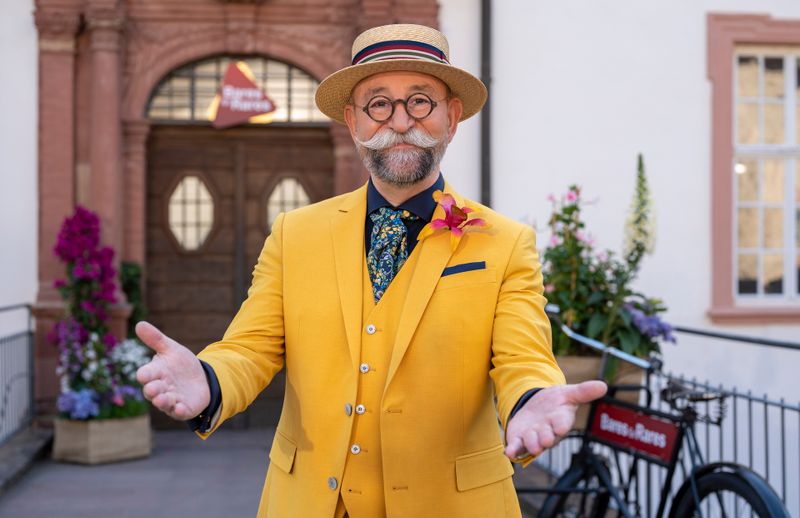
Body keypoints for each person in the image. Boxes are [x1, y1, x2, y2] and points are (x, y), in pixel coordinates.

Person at [135, 23, 606, 518]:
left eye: (420, 100)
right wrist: (209, 380)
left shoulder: (506, 243)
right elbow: (250, 348)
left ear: (452, 115)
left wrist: (531, 396)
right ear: (353, 121)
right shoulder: (295, 233)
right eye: (378, 104)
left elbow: (522, 355)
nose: (400, 121)